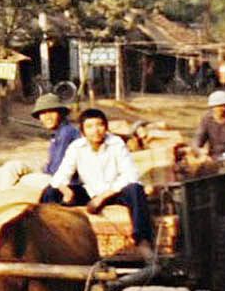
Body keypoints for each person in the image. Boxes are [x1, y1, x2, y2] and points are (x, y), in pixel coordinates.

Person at [46, 108, 156, 262]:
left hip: (114, 193)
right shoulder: (76, 147)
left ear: (106, 127)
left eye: (100, 125)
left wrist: (102, 198)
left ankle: (142, 241)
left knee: (135, 189)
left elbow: (130, 175)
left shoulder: (116, 143)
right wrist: (66, 191)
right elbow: (60, 176)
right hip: (90, 192)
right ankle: (51, 241)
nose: (95, 130)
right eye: (89, 127)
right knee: (51, 192)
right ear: (83, 132)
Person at [30, 93, 85, 202]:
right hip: (53, 175)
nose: (47, 117)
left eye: (51, 112)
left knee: (16, 173)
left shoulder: (66, 133)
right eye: (43, 113)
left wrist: (42, 173)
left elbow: (57, 168)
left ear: (61, 113)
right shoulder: (58, 133)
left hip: (65, 181)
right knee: (14, 167)